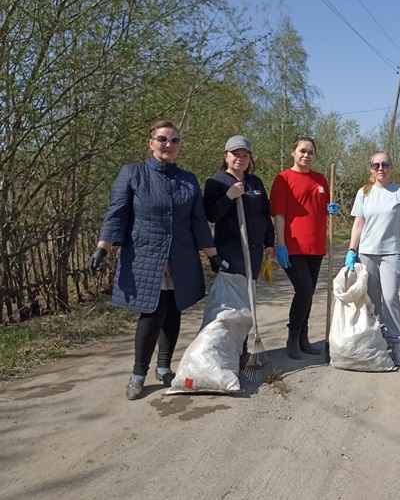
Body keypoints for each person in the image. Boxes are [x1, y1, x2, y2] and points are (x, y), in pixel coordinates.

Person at [88, 120, 226, 400]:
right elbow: (117, 212)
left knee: (174, 309)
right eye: (162, 139)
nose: (168, 145)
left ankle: (164, 367)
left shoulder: (187, 180)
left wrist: (212, 256)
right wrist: (103, 246)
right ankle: (138, 373)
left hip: (181, 256)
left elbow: (199, 221)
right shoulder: (133, 173)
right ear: (151, 142)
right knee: (152, 312)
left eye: (174, 140)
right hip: (145, 254)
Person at [203, 135, 275, 369]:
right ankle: (224, 350)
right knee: (230, 305)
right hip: (231, 251)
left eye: (245, 155)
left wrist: (269, 243)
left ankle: (242, 352)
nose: (240, 159)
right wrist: (228, 197)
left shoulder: (255, 182)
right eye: (235, 154)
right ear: (226, 156)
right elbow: (210, 216)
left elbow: (265, 215)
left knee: (247, 303)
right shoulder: (216, 182)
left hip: (253, 252)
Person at [270, 135, 339, 360]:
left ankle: (303, 338)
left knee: (308, 294)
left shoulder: (320, 179)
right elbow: (279, 215)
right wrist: (281, 244)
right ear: (293, 151)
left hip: (316, 245)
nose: (306, 155)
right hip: (293, 245)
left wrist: (331, 209)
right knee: (304, 290)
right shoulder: (283, 179)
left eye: (310, 152)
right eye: (302, 151)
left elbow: (322, 210)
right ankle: (292, 337)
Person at [345, 151, 400, 367]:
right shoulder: (363, 193)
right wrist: (351, 249)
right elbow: (358, 224)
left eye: (385, 164)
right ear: (371, 169)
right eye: (376, 165)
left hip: (391, 253)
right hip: (367, 253)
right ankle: (378, 341)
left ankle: (397, 344)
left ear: (391, 167)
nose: (380, 168)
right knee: (372, 301)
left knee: (390, 297)